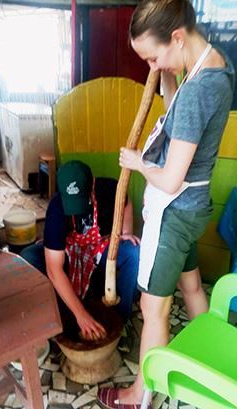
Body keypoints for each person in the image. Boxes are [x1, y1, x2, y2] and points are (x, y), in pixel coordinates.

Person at [97, 0, 235, 407]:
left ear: (176, 37)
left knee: (151, 307)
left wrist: (138, 163)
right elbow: (178, 110)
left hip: (173, 213)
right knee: (191, 284)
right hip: (194, 210)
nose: (154, 63)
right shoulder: (213, 67)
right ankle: (207, 357)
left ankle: (139, 394)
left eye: (154, 56)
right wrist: (163, 75)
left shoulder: (196, 91)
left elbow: (171, 178)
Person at [20, 160, 140, 341]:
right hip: (69, 249)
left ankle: (119, 318)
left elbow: (127, 201)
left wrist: (126, 232)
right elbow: (54, 269)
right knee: (28, 258)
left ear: (92, 184)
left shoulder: (107, 188)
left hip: (100, 245)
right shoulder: (56, 208)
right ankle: (58, 311)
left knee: (134, 253)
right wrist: (81, 315)